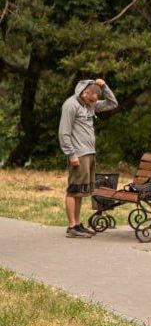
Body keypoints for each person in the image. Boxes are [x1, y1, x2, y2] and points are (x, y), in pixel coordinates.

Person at [58, 78, 118, 238]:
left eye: (95, 102)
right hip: (78, 154)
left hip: (89, 152)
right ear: (85, 93)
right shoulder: (70, 105)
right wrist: (71, 154)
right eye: (91, 101)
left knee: (81, 191)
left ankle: (77, 224)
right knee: (73, 189)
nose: (93, 104)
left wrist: (104, 86)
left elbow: (112, 104)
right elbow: (64, 132)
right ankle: (71, 226)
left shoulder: (89, 103)